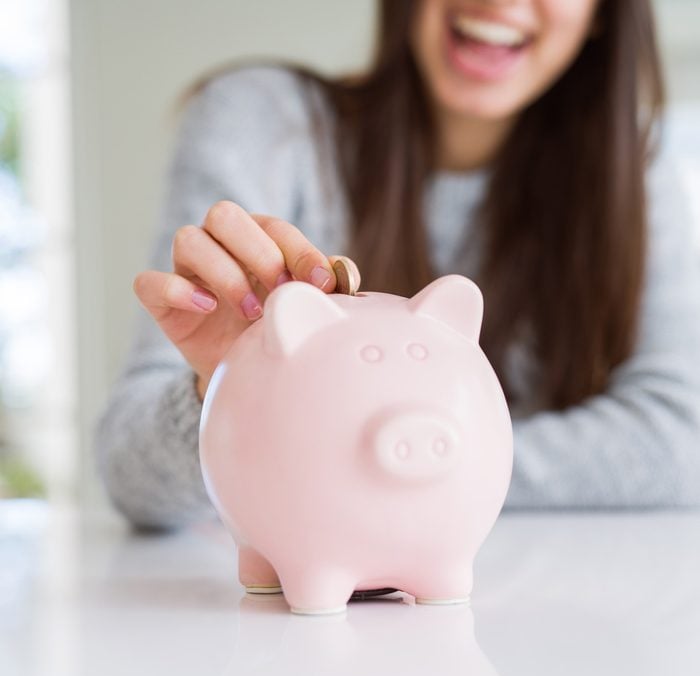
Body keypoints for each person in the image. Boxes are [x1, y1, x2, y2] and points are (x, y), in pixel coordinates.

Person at [96, 0, 700, 530]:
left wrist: (373, 465)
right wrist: (220, 396)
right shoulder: (264, 123)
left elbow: (681, 442)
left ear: (602, 13)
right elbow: (129, 476)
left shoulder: (633, 174)